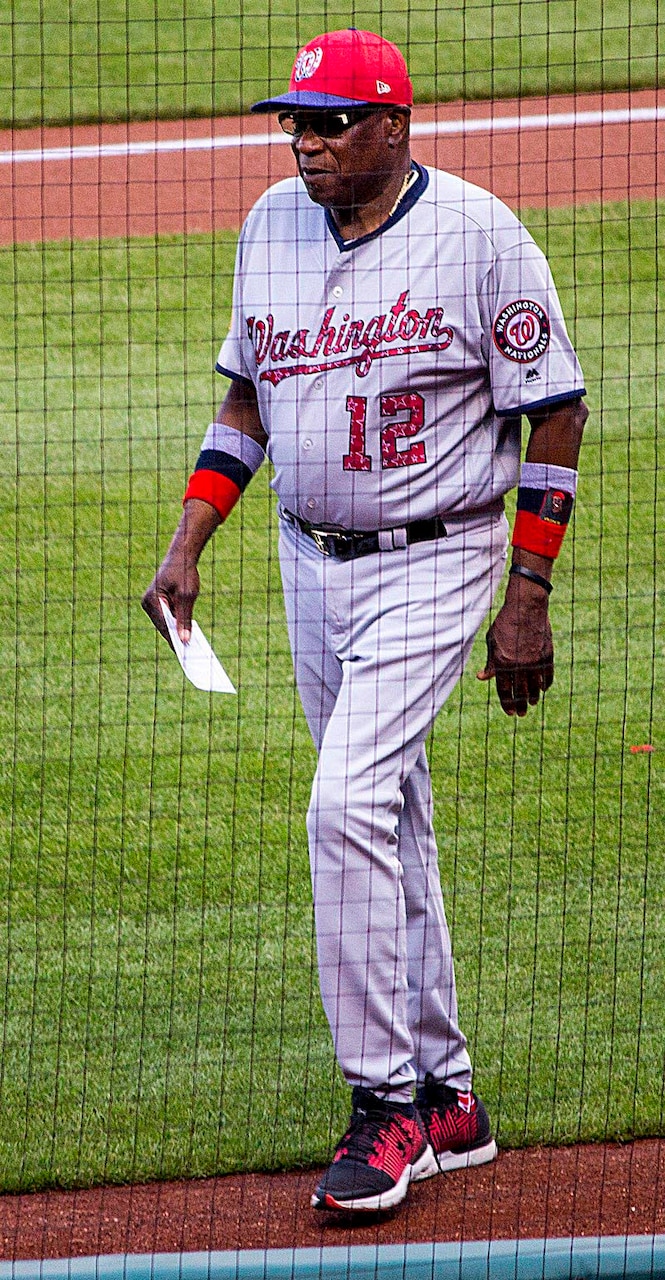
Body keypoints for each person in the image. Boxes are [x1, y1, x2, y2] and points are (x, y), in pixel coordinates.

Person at [142, 28, 587, 1214]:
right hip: (306, 565)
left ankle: (383, 1105)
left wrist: (526, 596)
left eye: (332, 121)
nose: (306, 141)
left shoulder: (479, 237)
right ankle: (449, 1091)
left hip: (436, 560)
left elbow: (553, 411)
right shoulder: (268, 227)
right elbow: (249, 396)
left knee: (340, 805)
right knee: (386, 810)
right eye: (296, 119)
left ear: (395, 126)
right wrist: (189, 543)